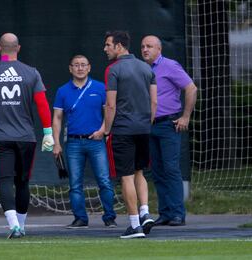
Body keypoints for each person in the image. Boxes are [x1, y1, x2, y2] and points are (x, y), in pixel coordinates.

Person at [0, 33, 54, 239]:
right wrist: (48, 133)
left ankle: (14, 227)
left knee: (5, 181)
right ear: (18, 48)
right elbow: (43, 104)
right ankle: (22, 226)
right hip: (26, 137)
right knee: (23, 182)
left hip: (0, 138)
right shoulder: (31, 72)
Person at [52, 54, 117, 229]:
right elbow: (57, 118)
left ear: (89, 68)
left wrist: (103, 131)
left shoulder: (100, 87)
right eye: (76, 65)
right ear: (70, 68)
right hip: (73, 143)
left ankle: (110, 217)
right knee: (75, 184)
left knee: (104, 180)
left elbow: (109, 112)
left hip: (96, 141)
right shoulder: (62, 91)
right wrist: (56, 143)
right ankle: (80, 218)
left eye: (83, 65)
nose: (80, 68)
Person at [103, 31, 157, 239]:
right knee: (139, 172)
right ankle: (144, 212)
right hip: (143, 129)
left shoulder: (113, 70)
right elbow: (154, 102)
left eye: (108, 45)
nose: (105, 49)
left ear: (119, 46)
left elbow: (110, 105)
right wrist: (147, 123)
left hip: (123, 130)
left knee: (126, 177)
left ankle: (135, 226)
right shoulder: (146, 67)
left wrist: (107, 130)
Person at [141, 35, 197, 226]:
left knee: (171, 168)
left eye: (149, 46)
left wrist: (186, 116)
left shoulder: (170, 66)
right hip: (149, 125)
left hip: (168, 124)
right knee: (157, 171)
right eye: (142, 47)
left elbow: (191, 88)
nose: (145, 49)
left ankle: (177, 214)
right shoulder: (143, 69)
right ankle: (165, 213)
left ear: (159, 49)